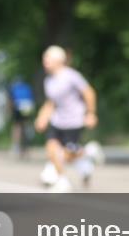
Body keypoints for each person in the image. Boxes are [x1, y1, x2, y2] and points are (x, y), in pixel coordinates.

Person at [35, 45, 100, 192]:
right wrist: (42, 117)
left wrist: (90, 113)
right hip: (58, 121)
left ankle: (88, 153)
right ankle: (62, 180)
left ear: (59, 60)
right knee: (51, 148)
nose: (44, 61)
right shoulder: (49, 81)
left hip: (74, 121)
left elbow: (89, 93)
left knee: (68, 155)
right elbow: (51, 102)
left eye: (48, 58)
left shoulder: (71, 76)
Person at [8, 77, 36, 158]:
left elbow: (11, 101)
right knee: (26, 125)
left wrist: (10, 110)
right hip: (28, 107)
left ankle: (16, 146)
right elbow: (32, 99)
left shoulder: (14, 88)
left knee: (17, 126)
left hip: (18, 107)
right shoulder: (27, 87)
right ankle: (27, 145)